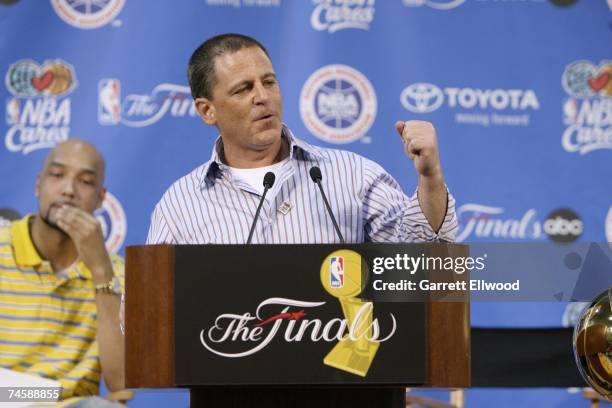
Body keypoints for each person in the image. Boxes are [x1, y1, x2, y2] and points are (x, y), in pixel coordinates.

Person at [147, 33, 457, 245]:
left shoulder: (354, 177)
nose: (262, 97)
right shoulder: (180, 205)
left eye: (269, 82)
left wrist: (430, 177)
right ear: (207, 110)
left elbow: (424, 264)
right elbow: (149, 310)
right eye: (243, 89)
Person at [0, 140, 125, 400]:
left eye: (85, 182)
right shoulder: (3, 247)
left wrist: (101, 271)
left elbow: (121, 381)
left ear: (101, 198)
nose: (68, 190)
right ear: (38, 184)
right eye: (57, 176)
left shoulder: (116, 272)